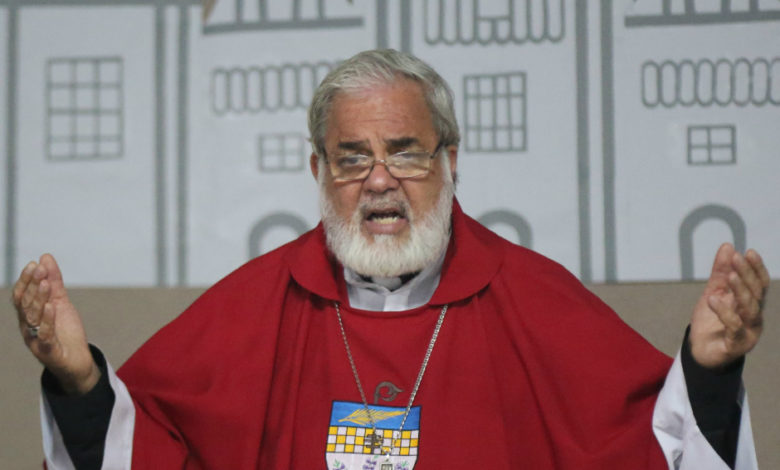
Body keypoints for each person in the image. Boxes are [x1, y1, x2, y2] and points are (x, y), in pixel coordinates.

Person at [12, 49, 770, 470]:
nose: (379, 181)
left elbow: (650, 446)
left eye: (404, 153)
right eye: (352, 158)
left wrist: (709, 371)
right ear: (318, 172)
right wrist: (79, 382)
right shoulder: (251, 307)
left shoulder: (536, 298)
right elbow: (147, 446)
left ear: (450, 161)